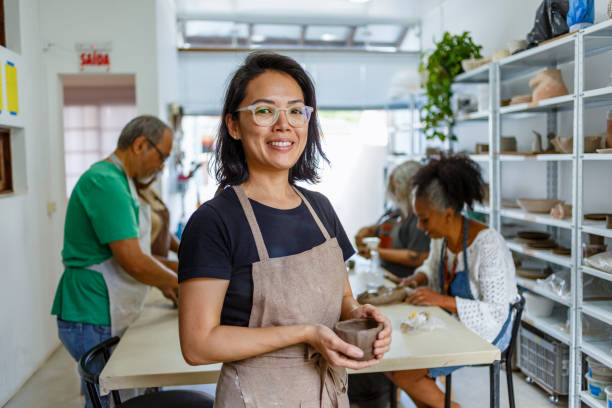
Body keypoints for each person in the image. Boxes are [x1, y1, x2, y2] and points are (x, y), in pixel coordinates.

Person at [177, 52, 392, 407]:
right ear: (233, 125)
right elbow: (198, 344)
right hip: (259, 398)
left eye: (296, 110)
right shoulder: (214, 222)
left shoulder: (321, 208)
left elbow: (342, 300)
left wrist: (361, 316)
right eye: (264, 111)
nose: (284, 125)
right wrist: (306, 333)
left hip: (329, 395)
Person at [51, 115, 179, 408]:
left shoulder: (123, 182)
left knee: (118, 395)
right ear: (139, 144)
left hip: (104, 308)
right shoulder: (104, 182)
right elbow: (133, 261)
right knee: (106, 399)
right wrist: (179, 282)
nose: (160, 167)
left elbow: (139, 254)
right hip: (91, 312)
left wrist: (169, 279)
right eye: (161, 157)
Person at [388, 154, 518, 408]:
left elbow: (496, 311)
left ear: (447, 213)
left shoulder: (488, 244)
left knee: (405, 371)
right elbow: (431, 264)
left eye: (424, 219)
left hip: (491, 330)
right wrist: (420, 276)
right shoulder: (441, 237)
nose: (421, 227)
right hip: (456, 321)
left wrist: (440, 300)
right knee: (394, 364)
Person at [354, 161, 430, 278]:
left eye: (397, 190)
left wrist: (377, 252)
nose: (395, 194)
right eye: (393, 189)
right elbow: (376, 227)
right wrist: (364, 232)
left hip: (404, 279)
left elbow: (419, 257)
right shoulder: (395, 211)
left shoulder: (419, 219)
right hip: (382, 274)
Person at [134, 177, 181, 275]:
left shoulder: (149, 191)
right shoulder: (131, 196)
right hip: (148, 271)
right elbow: (133, 255)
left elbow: (162, 230)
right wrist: (170, 267)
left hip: (161, 266)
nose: (161, 168)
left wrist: (184, 250)